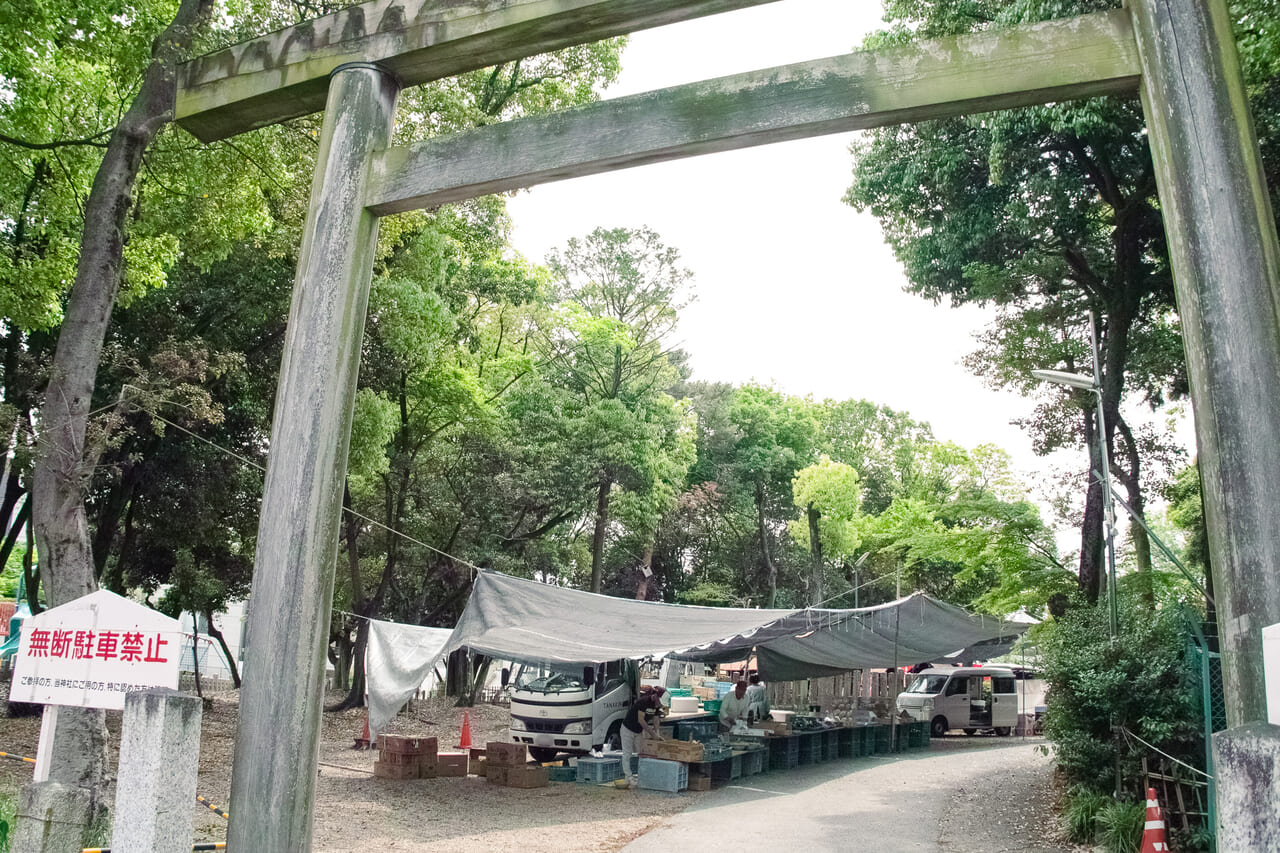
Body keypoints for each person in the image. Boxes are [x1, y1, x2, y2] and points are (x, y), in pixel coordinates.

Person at [619, 689, 663, 787]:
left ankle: (641, 774)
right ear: (655, 696)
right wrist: (652, 734)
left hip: (638, 731)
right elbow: (641, 720)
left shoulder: (656, 705)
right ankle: (628, 776)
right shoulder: (643, 701)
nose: (659, 704)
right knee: (627, 753)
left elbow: (656, 719)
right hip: (628, 728)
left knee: (642, 752)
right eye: (659, 701)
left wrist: (657, 732)